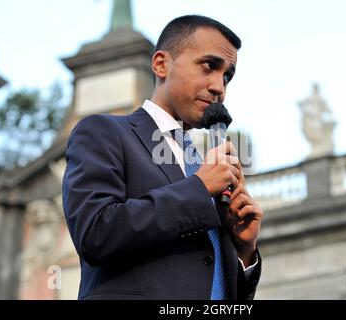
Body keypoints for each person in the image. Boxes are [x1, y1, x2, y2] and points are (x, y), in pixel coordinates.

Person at [62, 14, 263, 300]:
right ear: (161, 64)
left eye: (227, 76)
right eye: (209, 66)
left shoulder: (205, 164)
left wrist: (243, 252)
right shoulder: (104, 133)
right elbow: (94, 232)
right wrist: (199, 187)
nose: (219, 87)